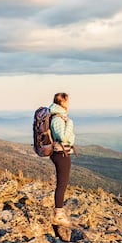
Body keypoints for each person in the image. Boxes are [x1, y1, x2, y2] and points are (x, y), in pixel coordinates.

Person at [49, 92, 75, 227]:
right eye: (67, 101)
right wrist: (70, 123)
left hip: (59, 153)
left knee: (62, 184)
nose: (69, 104)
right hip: (61, 153)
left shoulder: (56, 116)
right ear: (62, 102)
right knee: (62, 184)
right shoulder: (58, 119)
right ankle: (58, 215)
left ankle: (59, 211)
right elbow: (63, 137)